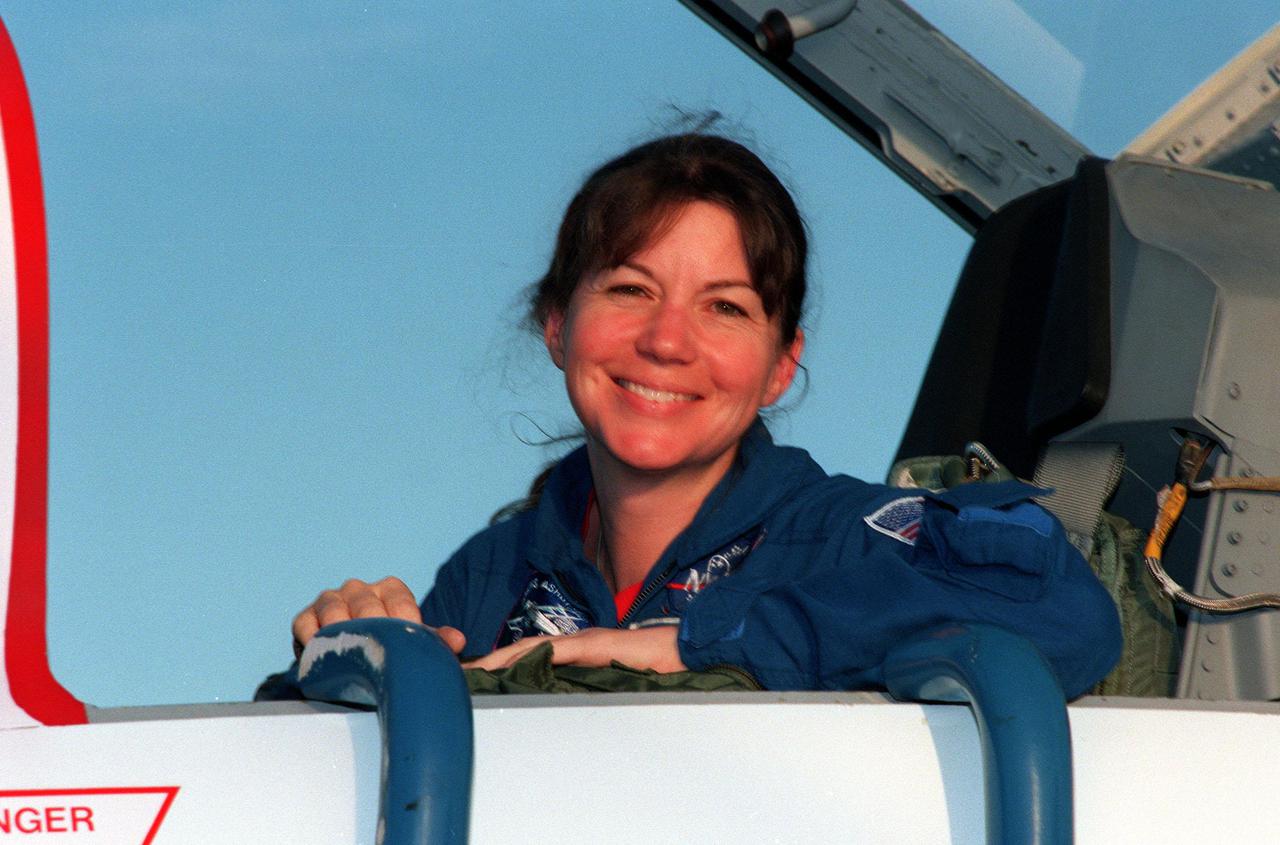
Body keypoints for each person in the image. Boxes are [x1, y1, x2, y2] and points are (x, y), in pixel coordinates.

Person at [291, 133, 1121, 697]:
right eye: (629, 290)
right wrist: (345, 656)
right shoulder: (495, 573)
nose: (665, 340)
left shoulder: (839, 534)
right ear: (557, 324)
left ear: (780, 367)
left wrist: (703, 641)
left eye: (724, 307)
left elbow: (1056, 604)